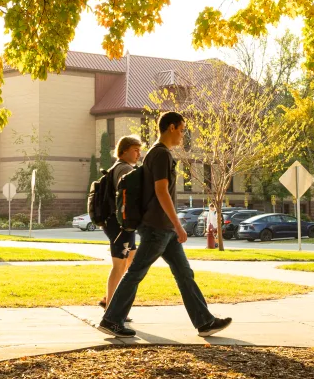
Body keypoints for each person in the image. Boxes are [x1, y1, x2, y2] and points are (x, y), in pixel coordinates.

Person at [98, 111, 232, 339]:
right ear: (170, 128)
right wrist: (178, 225)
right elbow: (161, 190)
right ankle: (111, 320)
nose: (182, 135)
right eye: (181, 130)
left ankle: (205, 322)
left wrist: (173, 227)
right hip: (157, 227)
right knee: (136, 273)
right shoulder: (160, 155)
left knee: (184, 274)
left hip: (164, 229)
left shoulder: (158, 154)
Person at [99, 135, 142, 311]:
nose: (138, 153)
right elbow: (129, 197)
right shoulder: (124, 169)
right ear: (124, 151)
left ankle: (108, 298)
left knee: (130, 260)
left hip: (122, 225)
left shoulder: (119, 168)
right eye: (135, 150)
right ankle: (111, 309)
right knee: (119, 265)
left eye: (139, 150)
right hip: (119, 225)